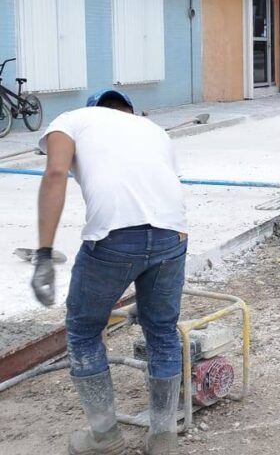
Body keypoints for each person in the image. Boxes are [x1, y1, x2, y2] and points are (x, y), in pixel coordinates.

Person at [32, 89, 188, 454]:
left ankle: (105, 437)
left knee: (84, 331)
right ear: (128, 111)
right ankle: (163, 438)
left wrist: (43, 254)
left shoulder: (70, 120)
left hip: (113, 237)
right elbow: (167, 192)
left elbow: (55, 171)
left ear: (93, 110)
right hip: (172, 235)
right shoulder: (153, 129)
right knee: (161, 330)